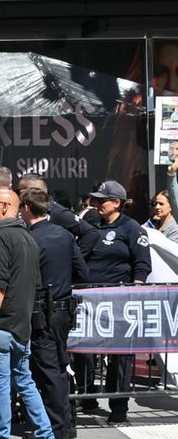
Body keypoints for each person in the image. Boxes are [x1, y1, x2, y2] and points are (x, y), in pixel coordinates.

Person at [0, 188, 60, 439]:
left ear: (4, 206)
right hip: (20, 327)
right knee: (25, 383)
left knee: (2, 388)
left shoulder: (1, 237)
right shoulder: (27, 237)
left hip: (1, 326)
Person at [78, 180, 151, 425]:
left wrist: (135, 293)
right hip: (88, 300)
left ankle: (118, 406)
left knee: (120, 355)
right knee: (83, 349)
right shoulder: (90, 223)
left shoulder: (131, 228)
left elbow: (142, 266)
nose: (97, 204)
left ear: (117, 203)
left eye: (102, 200)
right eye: (95, 200)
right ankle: (86, 395)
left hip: (119, 302)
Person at [20, 187, 88, 439]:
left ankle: (56, 430)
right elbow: (82, 272)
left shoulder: (30, 239)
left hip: (42, 312)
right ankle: (66, 425)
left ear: (26, 208)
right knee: (59, 368)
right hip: (63, 310)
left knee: (49, 372)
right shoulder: (65, 234)